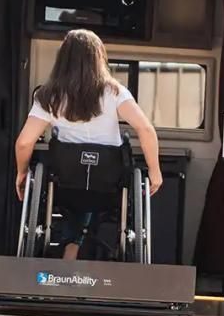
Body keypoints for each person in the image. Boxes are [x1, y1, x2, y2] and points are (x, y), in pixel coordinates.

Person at [14, 29, 163, 260]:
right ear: (98, 58)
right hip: (109, 183)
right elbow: (145, 129)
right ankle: (76, 244)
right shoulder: (115, 92)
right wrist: (155, 171)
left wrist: (22, 172)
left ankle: (72, 245)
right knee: (97, 182)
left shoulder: (49, 96)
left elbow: (24, 143)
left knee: (77, 191)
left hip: (66, 181)